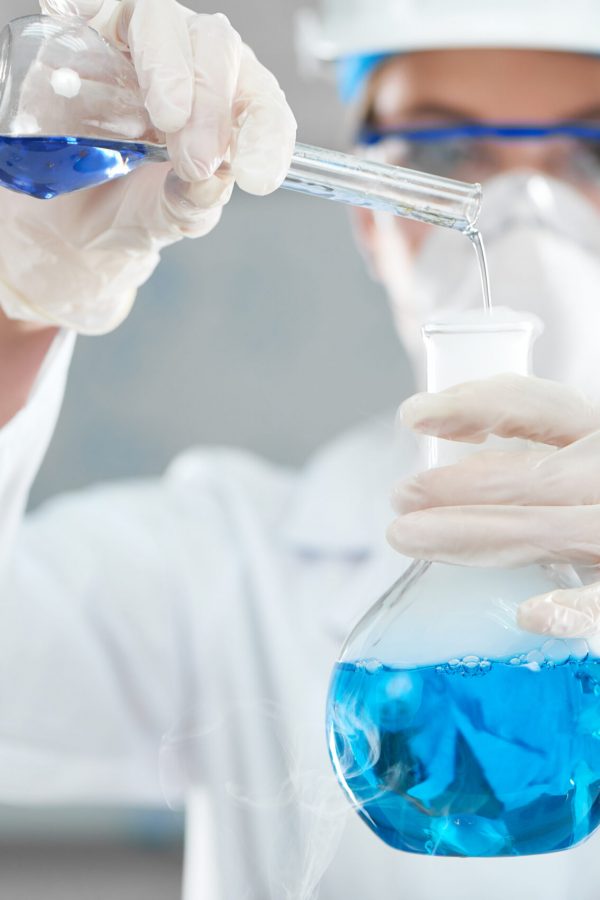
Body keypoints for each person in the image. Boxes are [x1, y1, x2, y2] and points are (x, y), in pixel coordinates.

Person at [1, 0, 600, 897]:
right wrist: (17, 308)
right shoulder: (221, 558)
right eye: (446, 153)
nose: (524, 210)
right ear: (368, 214)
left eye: (592, 150)